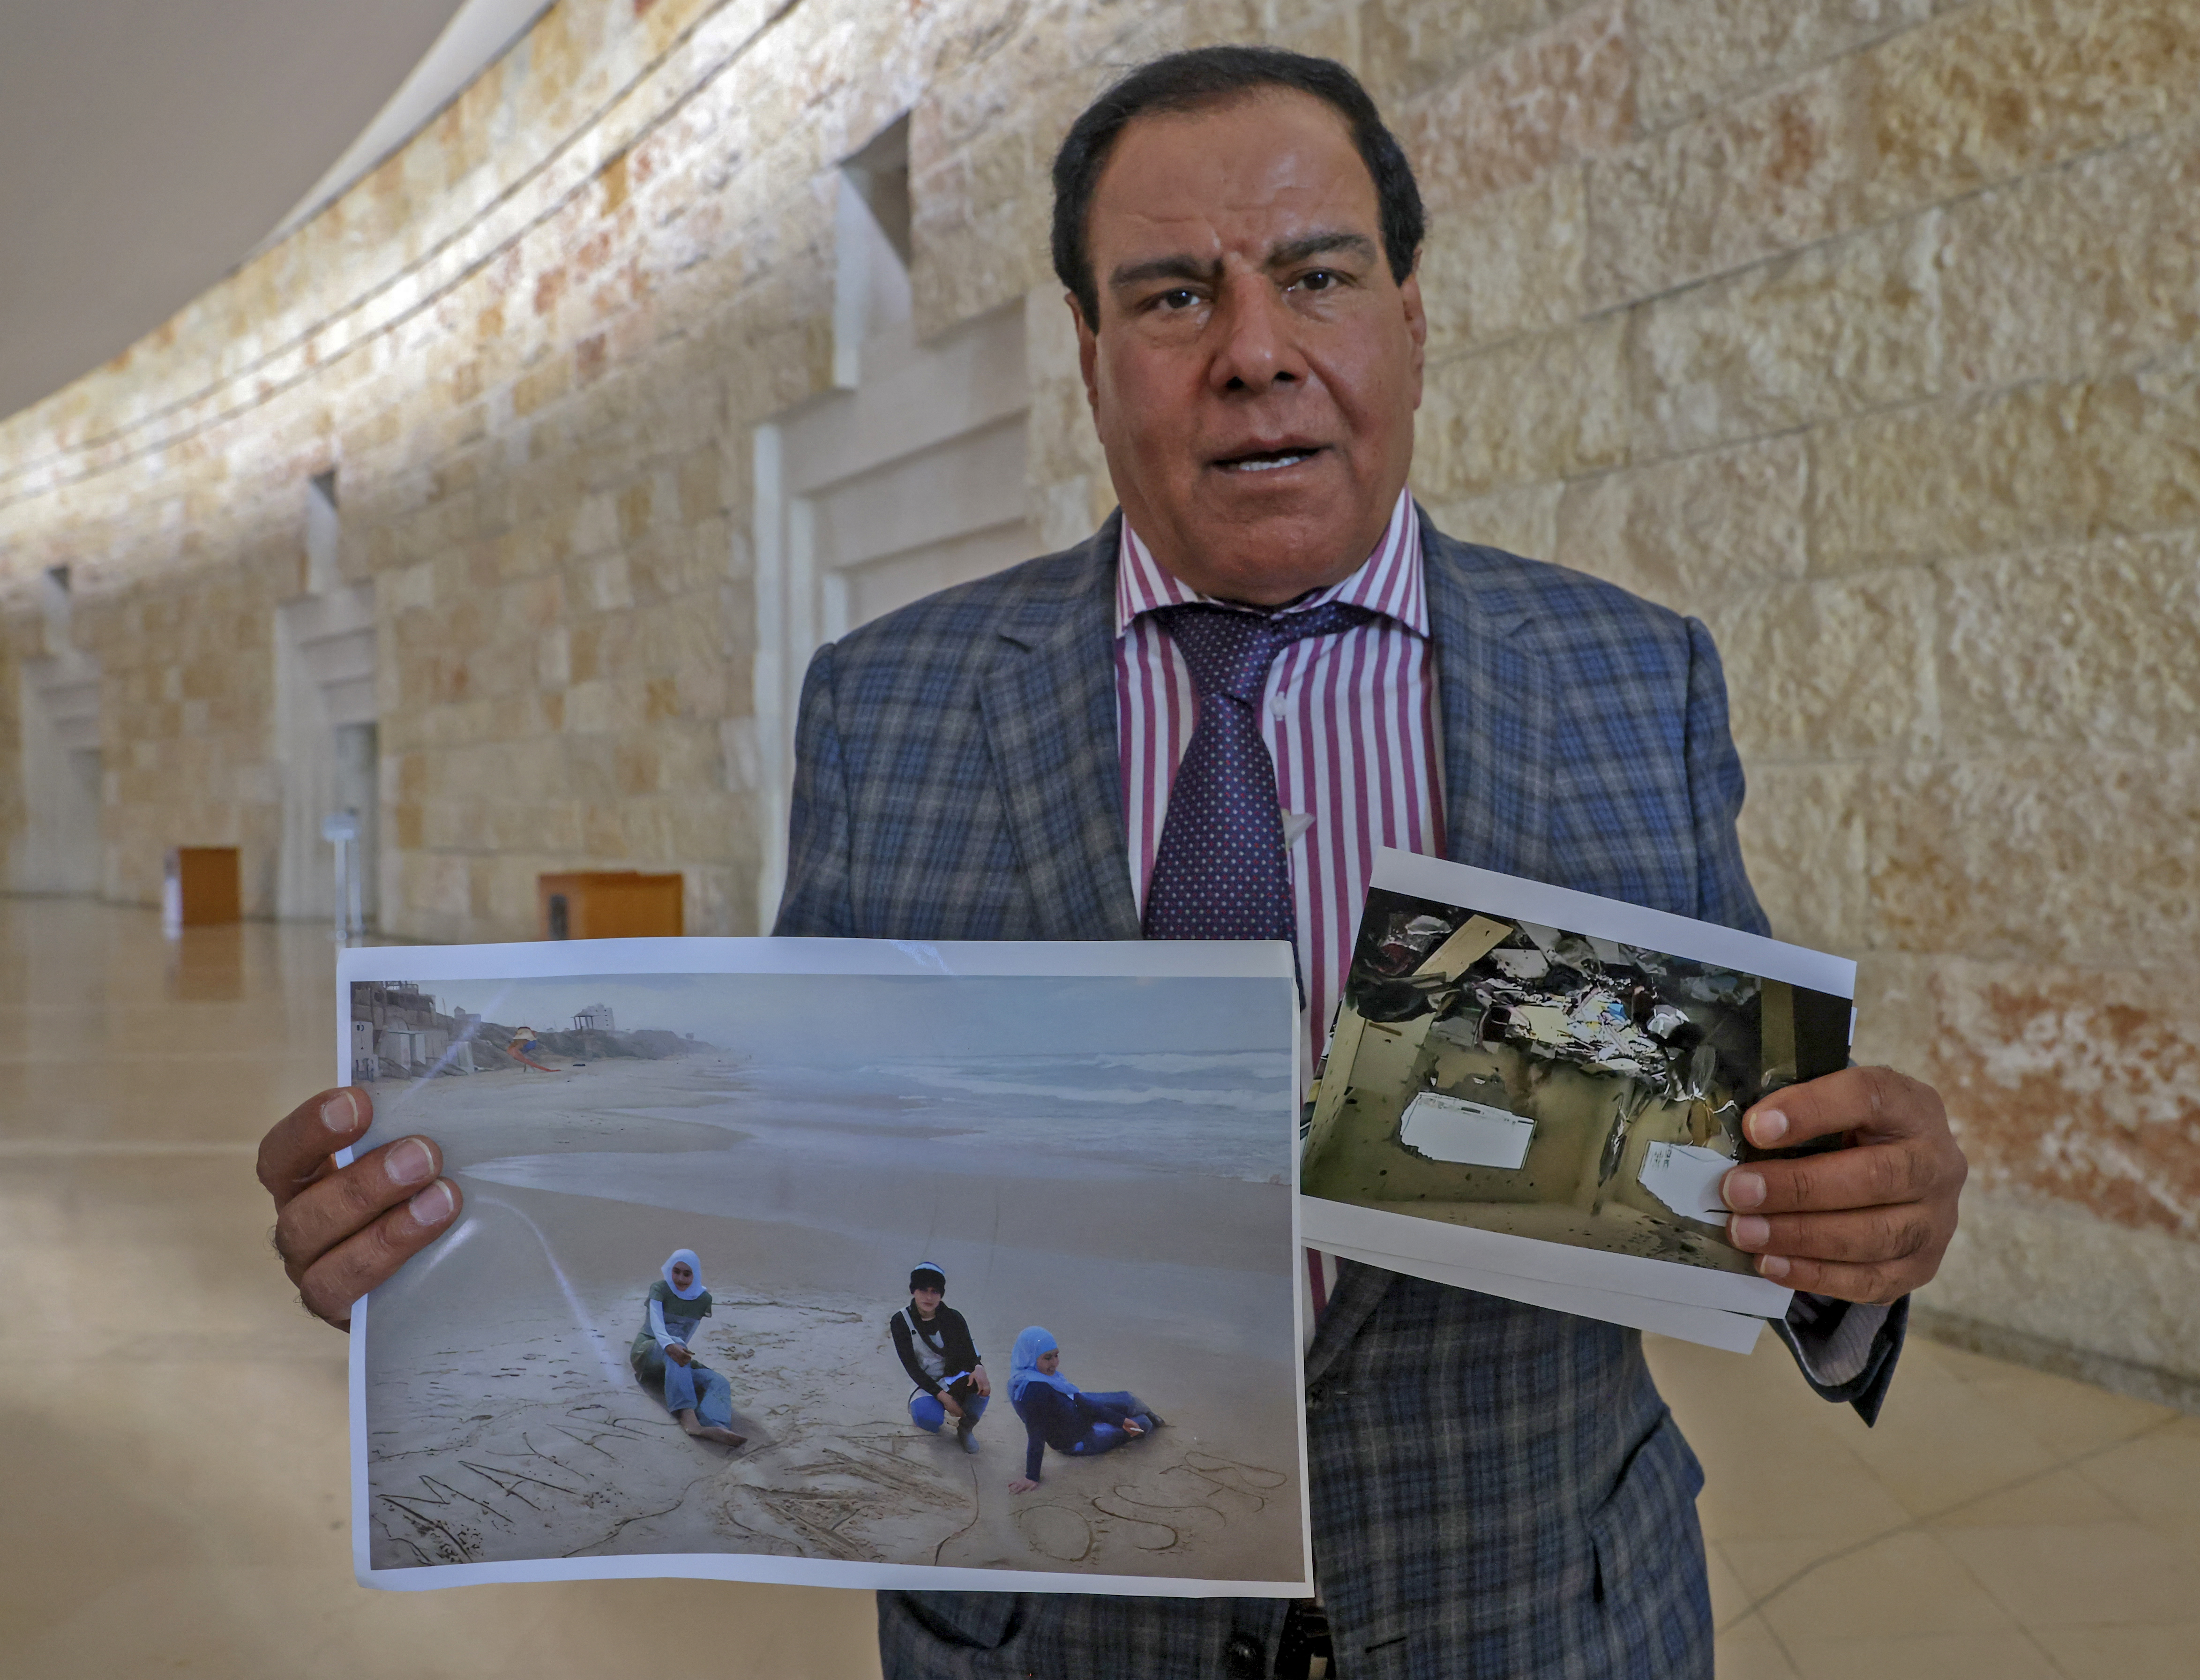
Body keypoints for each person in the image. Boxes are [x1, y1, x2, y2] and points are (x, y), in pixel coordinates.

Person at [258, 43, 1969, 1679]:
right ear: (1089, 356)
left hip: (1539, 1615)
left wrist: (1852, 1230)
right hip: (1052, 1635)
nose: (1255, 351)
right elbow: (794, 1191)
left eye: (1317, 276)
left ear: (1411, 321)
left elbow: (1739, 1153)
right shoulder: (889, 704)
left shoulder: (1628, 676)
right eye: (1172, 297)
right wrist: (452, 1264)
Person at [1003, 1327, 1161, 1494]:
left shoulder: (1040, 1377)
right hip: (1079, 1439)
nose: (1055, 1363)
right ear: (1028, 1357)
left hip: (1075, 1411)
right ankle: (1154, 1422)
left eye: (1056, 1355)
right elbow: (1036, 1433)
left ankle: (1157, 1421)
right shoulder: (1033, 1393)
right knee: (1143, 1423)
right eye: (1048, 1358)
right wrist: (1032, 1476)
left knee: (1129, 1400)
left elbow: (1079, 1401)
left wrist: (1121, 1420)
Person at [631, 1248, 745, 1447]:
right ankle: (689, 1420)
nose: (680, 1279)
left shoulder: (703, 1299)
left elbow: (688, 1334)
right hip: (647, 1353)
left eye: (687, 1274)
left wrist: (679, 1357)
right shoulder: (660, 1289)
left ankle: (716, 1424)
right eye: (676, 1272)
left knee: (718, 1381)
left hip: (674, 1360)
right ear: (669, 1270)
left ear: (695, 1274)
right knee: (677, 1344)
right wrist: (671, 1346)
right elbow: (657, 1325)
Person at [892, 1261, 992, 1454]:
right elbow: (912, 1368)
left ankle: (966, 1429)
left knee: (981, 1388)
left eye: (935, 1291)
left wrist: (979, 1368)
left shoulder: (954, 1318)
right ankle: (926, 1411)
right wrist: (946, 1399)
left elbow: (969, 1352)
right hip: (924, 1381)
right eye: (923, 1290)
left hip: (952, 1375)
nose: (929, 1297)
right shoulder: (901, 1321)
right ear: (913, 1291)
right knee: (929, 1419)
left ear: (941, 1294)